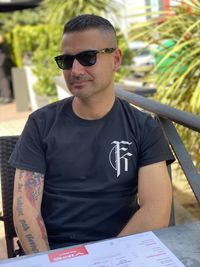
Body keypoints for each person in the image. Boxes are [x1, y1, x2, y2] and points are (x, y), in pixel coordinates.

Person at [10, 14, 174, 255]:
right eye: (66, 60)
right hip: (53, 253)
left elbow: (156, 209)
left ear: (115, 59)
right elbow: (25, 209)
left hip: (122, 250)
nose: (75, 70)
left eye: (88, 57)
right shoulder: (41, 123)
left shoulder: (143, 126)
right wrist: (51, 262)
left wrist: (104, 259)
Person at [0, 34, 12, 104]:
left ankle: (7, 96)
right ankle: (3, 96)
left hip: (1, 56)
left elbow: (1, 40)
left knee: (2, 77)